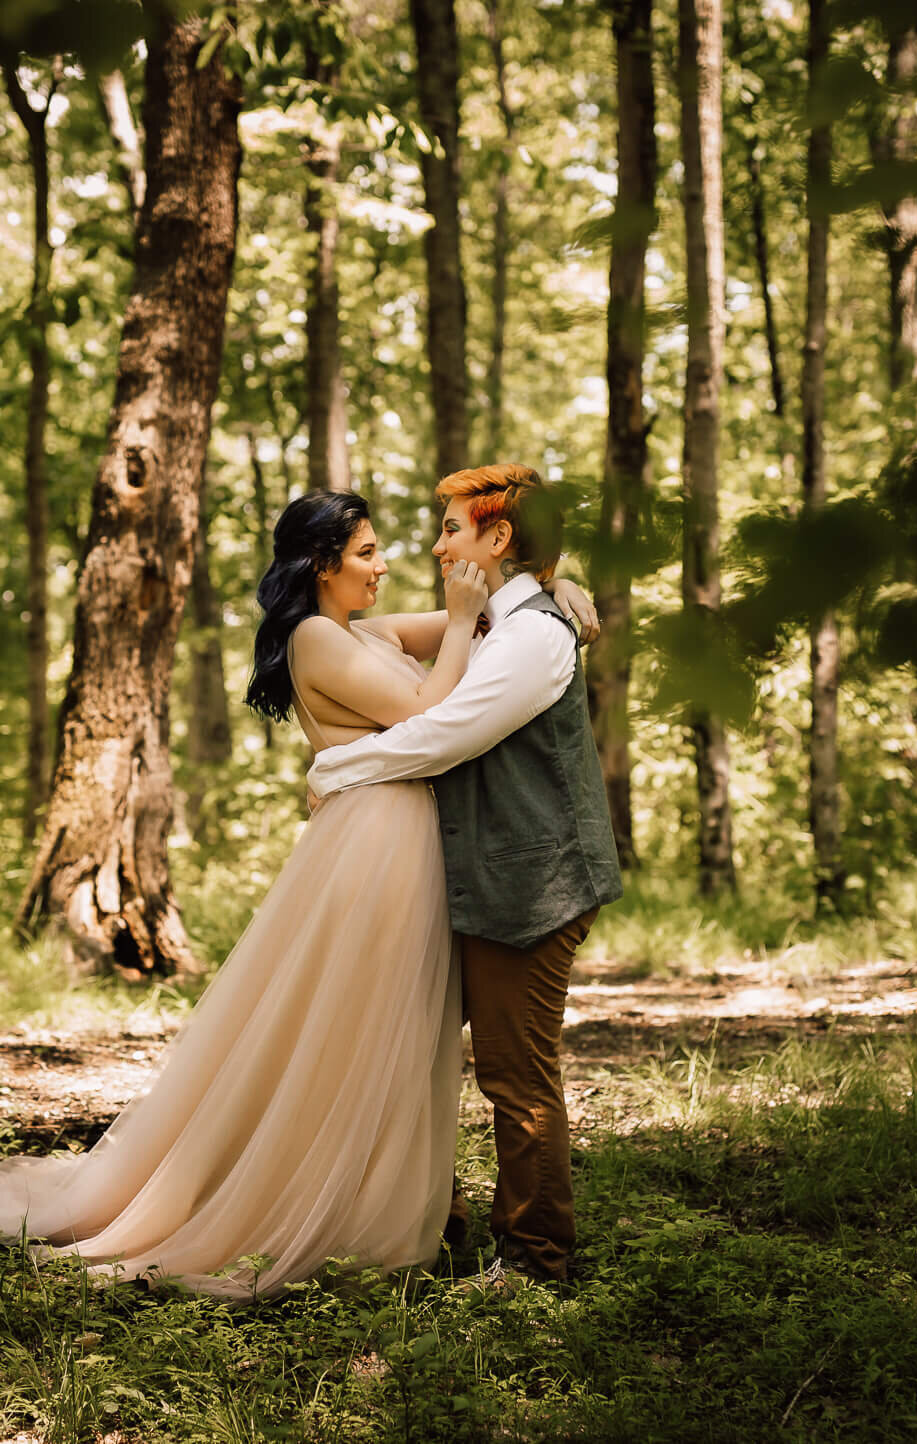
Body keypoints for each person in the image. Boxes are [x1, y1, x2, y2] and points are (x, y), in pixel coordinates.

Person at [0, 489, 597, 1299]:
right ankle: (339, 1206)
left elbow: (493, 622)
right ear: (322, 565)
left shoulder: (360, 631)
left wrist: (555, 587)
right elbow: (429, 703)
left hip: (415, 840)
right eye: (368, 553)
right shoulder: (313, 637)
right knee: (361, 1029)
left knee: (404, 1036)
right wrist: (456, 621)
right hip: (380, 844)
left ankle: (411, 1203)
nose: (386, 566)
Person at [307, 463, 624, 1287]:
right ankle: (435, 1231)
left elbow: (450, 734)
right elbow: (363, 635)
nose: (437, 543)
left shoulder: (532, 636)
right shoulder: (495, 618)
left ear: (498, 538)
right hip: (481, 876)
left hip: (536, 881)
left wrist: (341, 770)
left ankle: (535, 1263)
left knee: (517, 1079)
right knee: (417, 1053)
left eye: (451, 528)